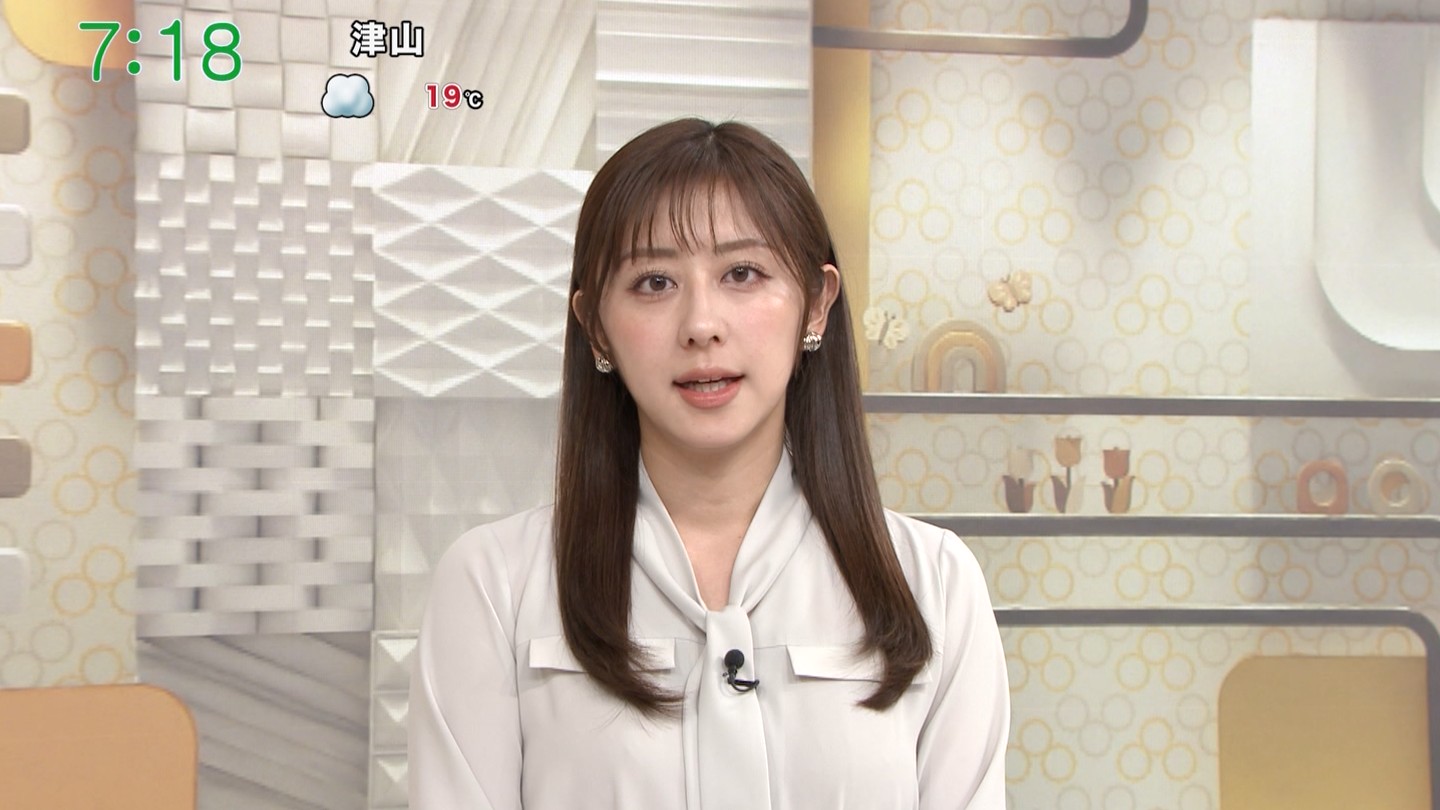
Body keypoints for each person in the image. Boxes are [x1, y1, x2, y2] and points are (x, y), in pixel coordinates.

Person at [408, 118, 1009, 809]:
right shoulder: (493, 584)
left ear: (817, 305)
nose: (701, 324)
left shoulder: (935, 583)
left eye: (742, 274)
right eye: (654, 282)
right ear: (595, 325)